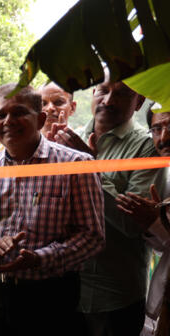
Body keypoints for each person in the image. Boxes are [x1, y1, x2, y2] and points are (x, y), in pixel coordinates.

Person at [0, 83, 105, 335]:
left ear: (41, 118)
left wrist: (40, 258)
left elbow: (93, 237)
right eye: (1, 115)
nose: (9, 121)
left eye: (19, 112)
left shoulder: (76, 165)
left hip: (52, 296)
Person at [51, 78, 161, 335]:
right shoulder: (69, 138)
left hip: (115, 297)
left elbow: (133, 223)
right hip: (64, 290)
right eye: (103, 90)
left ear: (139, 102)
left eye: (121, 94)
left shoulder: (147, 147)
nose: (108, 100)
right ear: (93, 93)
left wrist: (89, 167)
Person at [116, 109, 170, 335]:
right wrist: (152, 223)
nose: (163, 137)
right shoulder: (165, 175)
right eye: (157, 129)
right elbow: (163, 246)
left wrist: (157, 223)